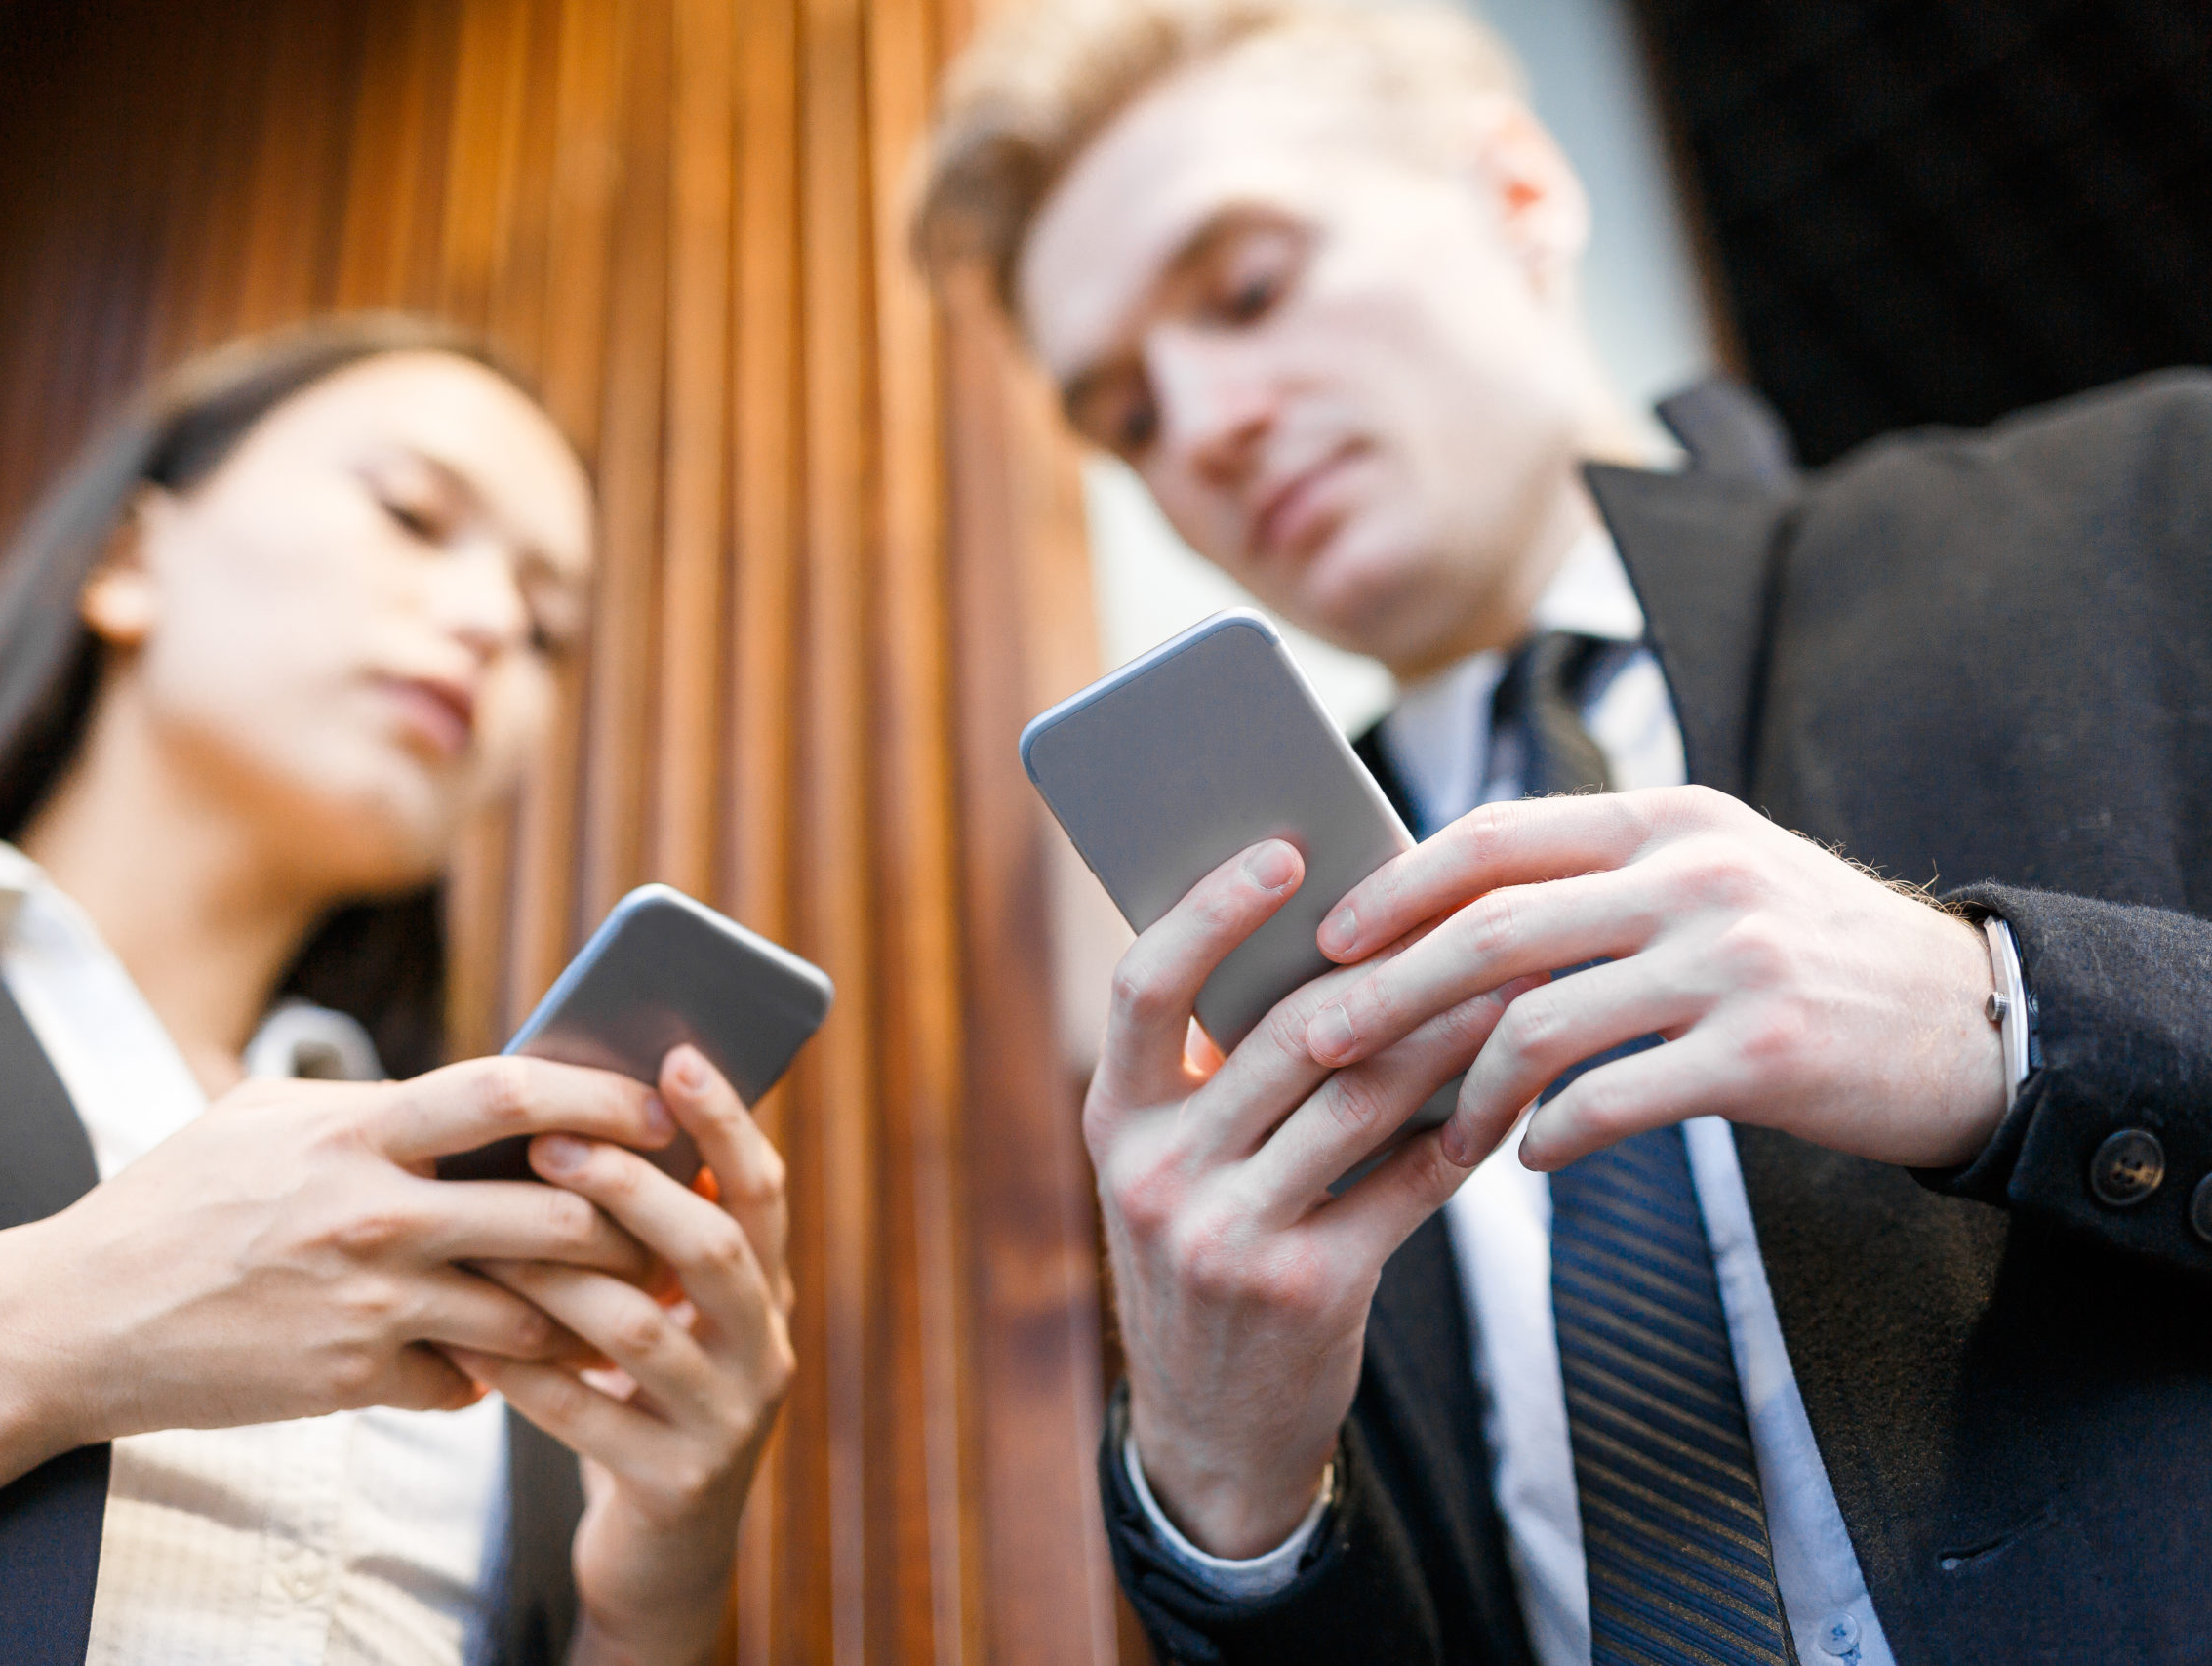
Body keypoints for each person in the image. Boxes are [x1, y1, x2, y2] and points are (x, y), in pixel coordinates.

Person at [915, 4, 2212, 1663]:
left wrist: (2011, 1026)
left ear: (1520, 195)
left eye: (1245, 290)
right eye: (1129, 421)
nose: (1207, 428)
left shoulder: (2140, 506)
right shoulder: (1260, 1005)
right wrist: (1225, 1498)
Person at [0, 316, 796, 1666]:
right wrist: (69, 1320)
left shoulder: (481, 1225)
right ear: (128, 558)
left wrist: (653, 1612)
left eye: (546, 629)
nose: (488, 626)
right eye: (412, 515)